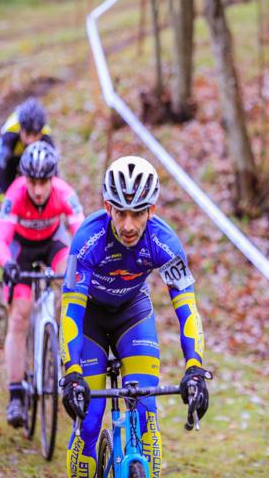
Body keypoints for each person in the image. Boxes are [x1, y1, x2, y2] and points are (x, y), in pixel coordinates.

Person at [58, 155, 211, 477]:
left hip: (133, 315)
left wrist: (195, 367)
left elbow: (188, 309)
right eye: (120, 212)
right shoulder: (88, 240)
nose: (128, 225)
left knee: (147, 417)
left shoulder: (164, 243)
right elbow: (71, 311)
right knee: (89, 421)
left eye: (137, 213)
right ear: (107, 206)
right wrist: (72, 372)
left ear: (151, 210)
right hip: (90, 322)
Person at [0, 140, 85, 427]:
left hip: (52, 245)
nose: (38, 189)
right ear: (25, 179)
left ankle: (62, 351)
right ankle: (16, 393)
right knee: (19, 315)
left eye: (44, 181)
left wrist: (81, 265)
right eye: (32, 181)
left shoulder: (65, 193)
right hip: (21, 251)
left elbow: (81, 234)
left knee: (72, 281)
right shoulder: (15, 194)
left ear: (52, 178)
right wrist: (7, 264)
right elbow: (1, 241)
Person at [0, 97, 54, 284]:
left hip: (34, 165)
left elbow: (54, 175)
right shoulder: (9, 135)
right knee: (2, 208)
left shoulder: (46, 138)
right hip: (10, 166)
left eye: (35, 135)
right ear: (21, 129)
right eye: (28, 134)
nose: (32, 140)